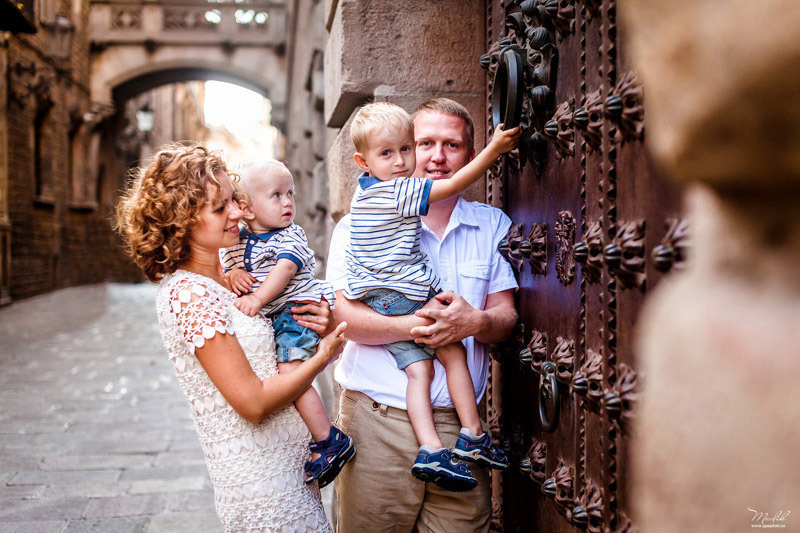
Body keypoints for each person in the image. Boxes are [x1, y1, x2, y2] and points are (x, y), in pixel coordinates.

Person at [115, 144, 346, 533]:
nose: (238, 212)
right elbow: (253, 403)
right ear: (184, 220)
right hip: (263, 488)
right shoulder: (189, 294)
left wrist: (316, 325)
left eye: (234, 201)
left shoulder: (234, 278)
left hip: (291, 473)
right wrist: (321, 358)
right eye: (221, 207)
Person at [325, 98, 519, 532]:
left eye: (452, 145)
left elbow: (506, 318)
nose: (436, 156)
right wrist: (423, 326)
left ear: (469, 154)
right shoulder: (354, 227)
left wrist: (476, 322)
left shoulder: (492, 225)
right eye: (425, 143)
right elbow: (343, 319)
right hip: (378, 423)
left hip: (458, 425)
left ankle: (472, 438)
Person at [220, 157, 354, 488]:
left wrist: (256, 299)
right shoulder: (236, 243)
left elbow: (285, 269)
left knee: (291, 373)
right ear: (246, 209)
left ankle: (329, 440)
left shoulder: (290, 235)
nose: (288, 202)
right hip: (277, 317)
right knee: (287, 373)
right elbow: (227, 271)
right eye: (276, 195)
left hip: (296, 310)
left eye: (290, 193)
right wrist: (232, 275)